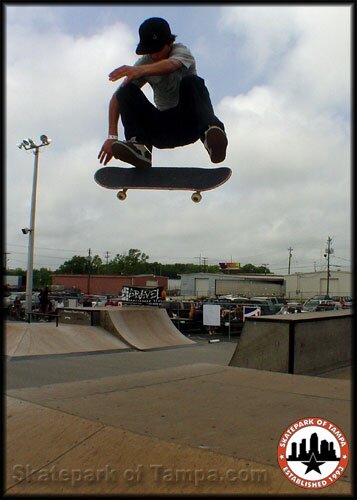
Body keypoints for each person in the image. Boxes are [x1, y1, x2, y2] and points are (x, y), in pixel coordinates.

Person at [98, 17, 228, 168]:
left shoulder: (181, 52)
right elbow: (116, 99)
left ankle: (211, 135)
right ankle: (141, 149)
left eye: (157, 50)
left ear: (169, 42)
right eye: (150, 52)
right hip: (161, 131)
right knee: (125, 91)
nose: (153, 56)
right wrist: (112, 136)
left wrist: (140, 71)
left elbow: (171, 65)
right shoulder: (145, 62)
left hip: (190, 124)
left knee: (192, 82)